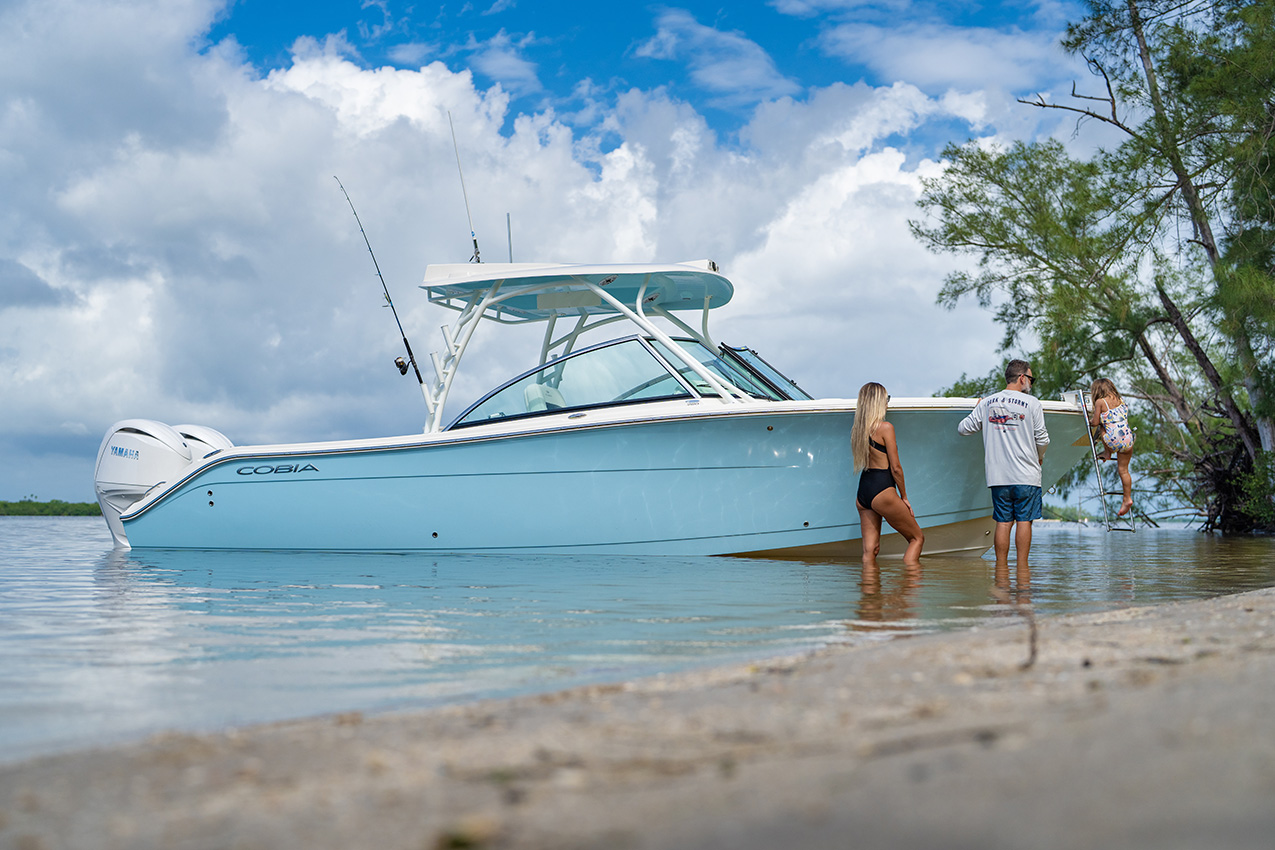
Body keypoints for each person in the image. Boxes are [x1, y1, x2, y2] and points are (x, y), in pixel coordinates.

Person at [957, 360, 1050, 569]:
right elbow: (1042, 439)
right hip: (1027, 475)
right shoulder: (1033, 403)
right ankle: (1023, 570)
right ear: (1022, 378)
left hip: (998, 476)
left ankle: (1001, 571)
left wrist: (977, 409)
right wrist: (1039, 456)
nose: (1031, 384)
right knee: (1024, 521)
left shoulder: (987, 403)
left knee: (1003, 522)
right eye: (1030, 379)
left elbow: (963, 429)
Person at [852, 382, 924, 566]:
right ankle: (909, 590)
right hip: (882, 488)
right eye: (886, 399)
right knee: (917, 538)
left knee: (870, 550)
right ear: (878, 402)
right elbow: (896, 468)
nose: (887, 403)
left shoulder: (857, 431)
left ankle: (870, 594)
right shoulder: (885, 428)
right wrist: (904, 497)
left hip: (864, 491)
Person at [1090, 378, 1135, 517]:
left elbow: (1096, 422)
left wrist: (1089, 420)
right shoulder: (1120, 399)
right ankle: (1127, 498)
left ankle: (1107, 453)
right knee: (1124, 471)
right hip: (1128, 439)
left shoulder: (1100, 402)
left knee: (1103, 426)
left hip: (1113, 440)